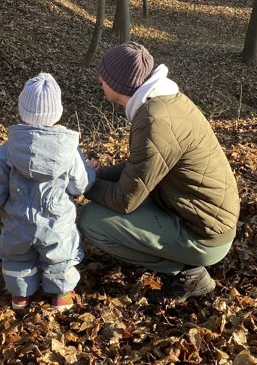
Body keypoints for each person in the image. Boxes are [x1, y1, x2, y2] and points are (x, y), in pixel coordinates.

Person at [79, 42, 240, 302]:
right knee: (100, 207)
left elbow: (124, 200)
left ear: (120, 84)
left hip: (205, 235)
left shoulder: (155, 121)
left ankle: (187, 273)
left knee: (91, 219)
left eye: (105, 77)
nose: (100, 80)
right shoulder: (163, 103)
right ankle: (180, 260)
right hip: (194, 213)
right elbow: (140, 169)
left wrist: (83, 184)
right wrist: (96, 175)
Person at [0, 73, 96, 311]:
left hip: (18, 222)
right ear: (58, 112)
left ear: (23, 110)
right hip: (57, 221)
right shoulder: (69, 150)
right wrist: (90, 171)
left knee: (17, 258)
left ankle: (20, 297)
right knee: (60, 257)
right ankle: (61, 297)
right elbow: (80, 185)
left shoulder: (7, 150)